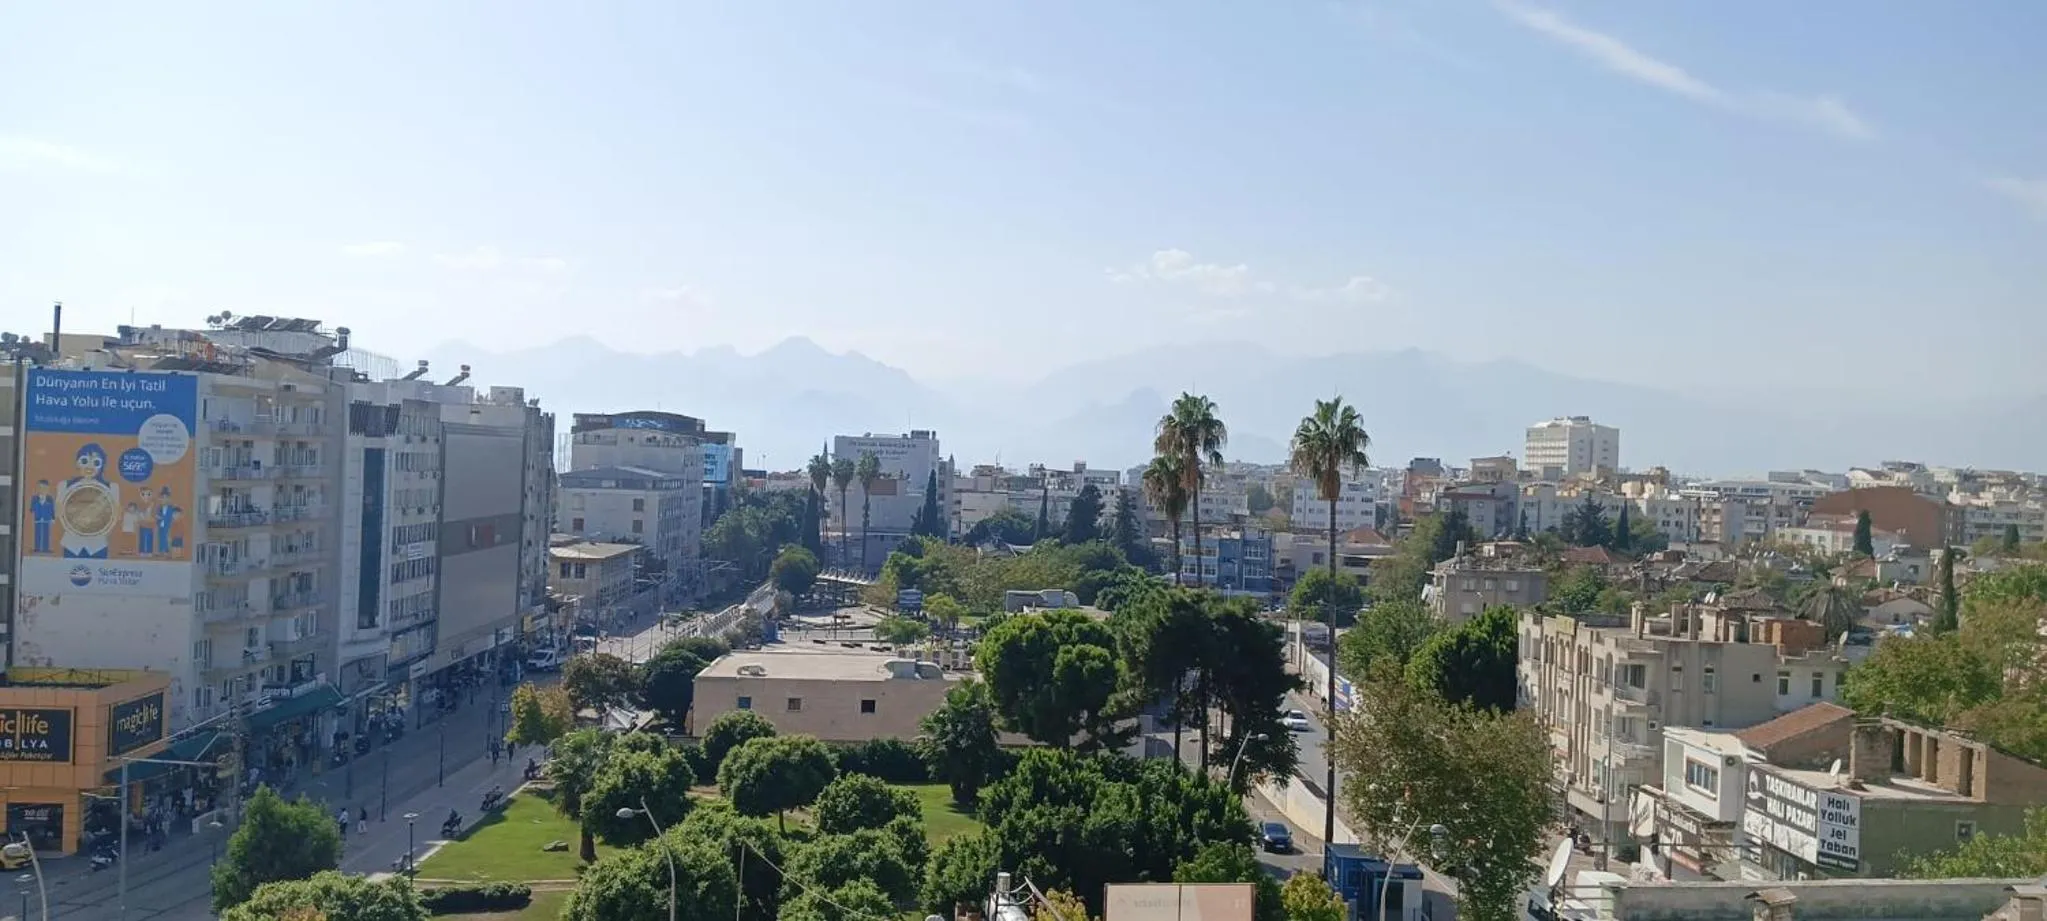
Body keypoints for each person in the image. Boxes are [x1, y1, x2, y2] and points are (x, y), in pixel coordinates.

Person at [28, 480, 56, 554]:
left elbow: (52, 509)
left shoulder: (50, 498)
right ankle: (37, 548)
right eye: (40, 487)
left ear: (48, 488)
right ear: (38, 488)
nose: (42, 489)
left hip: (47, 518)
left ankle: (45, 548)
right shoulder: (34, 498)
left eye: (44, 488)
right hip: (38, 518)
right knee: (37, 533)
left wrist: (53, 518)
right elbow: (31, 509)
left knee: (46, 534)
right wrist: (38, 502)